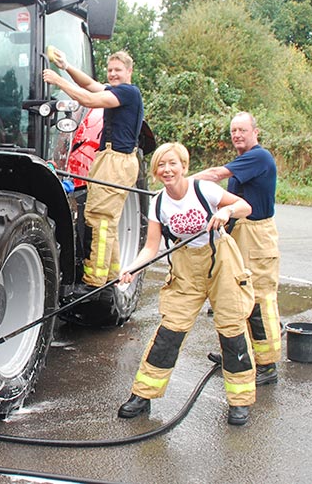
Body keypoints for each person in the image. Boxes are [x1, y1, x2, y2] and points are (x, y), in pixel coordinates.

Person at [116, 142, 256, 425]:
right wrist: (131, 268)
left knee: (232, 330)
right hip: (185, 269)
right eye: (161, 165)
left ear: (184, 166)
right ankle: (143, 395)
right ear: (156, 171)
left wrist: (226, 213)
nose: (167, 170)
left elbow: (245, 206)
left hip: (221, 263)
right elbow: (151, 247)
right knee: (169, 332)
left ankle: (239, 401)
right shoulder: (158, 203)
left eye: (173, 164)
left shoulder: (203, 190)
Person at [43, 50, 144, 295]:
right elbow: (89, 84)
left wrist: (57, 80)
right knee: (106, 218)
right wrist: (66, 66)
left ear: (129, 72)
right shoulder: (118, 90)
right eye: (110, 70)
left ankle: (95, 280)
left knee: (100, 218)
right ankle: (111, 274)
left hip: (116, 161)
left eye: (118, 70)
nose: (113, 74)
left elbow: (88, 99)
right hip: (109, 158)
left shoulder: (129, 92)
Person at [193, 112, 281, 385]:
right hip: (239, 234)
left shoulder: (259, 157)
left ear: (256, 132)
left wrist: (181, 184)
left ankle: (267, 365)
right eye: (233, 131)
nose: (237, 135)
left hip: (257, 236)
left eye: (242, 130)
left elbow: (217, 175)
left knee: (259, 299)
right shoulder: (244, 161)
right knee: (236, 297)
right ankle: (239, 355)